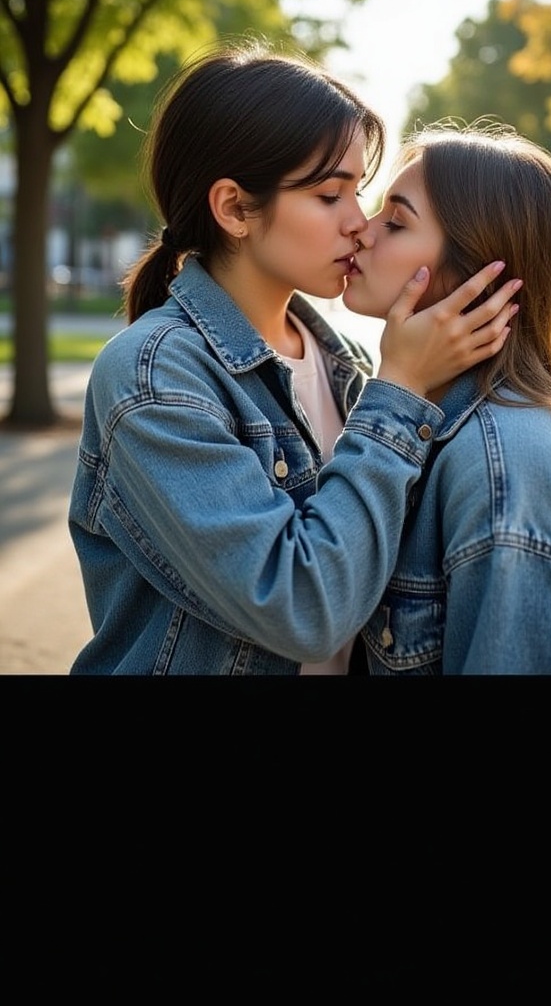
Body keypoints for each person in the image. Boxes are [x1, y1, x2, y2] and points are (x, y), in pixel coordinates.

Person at [68, 45, 521, 675]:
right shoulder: (153, 376)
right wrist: (402, 392)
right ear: (234, 208)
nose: (360, 224)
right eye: (329, 195)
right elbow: (303, 611)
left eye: (359, 192)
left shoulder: (351, 364)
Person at [342, 120, 551, 675]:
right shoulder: (434, 422)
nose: (362, 228)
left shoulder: (506, 470)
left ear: (475, 276)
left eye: (397, 221)